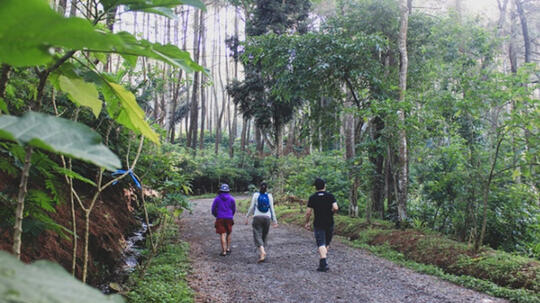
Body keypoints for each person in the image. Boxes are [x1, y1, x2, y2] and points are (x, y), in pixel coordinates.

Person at [304, 178, 338, 272]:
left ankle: (323, 263)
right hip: (329, 222)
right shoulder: (330, 196)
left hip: (318, 223)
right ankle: (323, 261)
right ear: (325, 186)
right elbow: (335, 207)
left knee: (321, 243)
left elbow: (308, 212)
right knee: (326, 243)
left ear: (315, 187)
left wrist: (307, 222)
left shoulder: (312, 197)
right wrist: (331, 213)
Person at [245, 182, 278, 263]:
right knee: (264, 234)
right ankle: (262, 251)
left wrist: (247, 216)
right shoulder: (269, 196)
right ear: (267, 188)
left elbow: (252, 207)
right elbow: (272, 209)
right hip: (267, 218)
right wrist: (274, 221)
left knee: (257, 234)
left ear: (259, 187)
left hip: (257, 217)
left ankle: (262, 252)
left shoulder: (256, 195)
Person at [211, 184, 236, 256]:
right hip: (229, 217)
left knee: (223, 234)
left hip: (220, 218)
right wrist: (231, 215)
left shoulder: (217, 198)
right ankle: (228, 248)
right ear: (228, 190)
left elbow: (213, 209)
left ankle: (224, 251)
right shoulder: (231, 198)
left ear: (220, 191)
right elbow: (234, 209)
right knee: (229, 233)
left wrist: (217, 215)